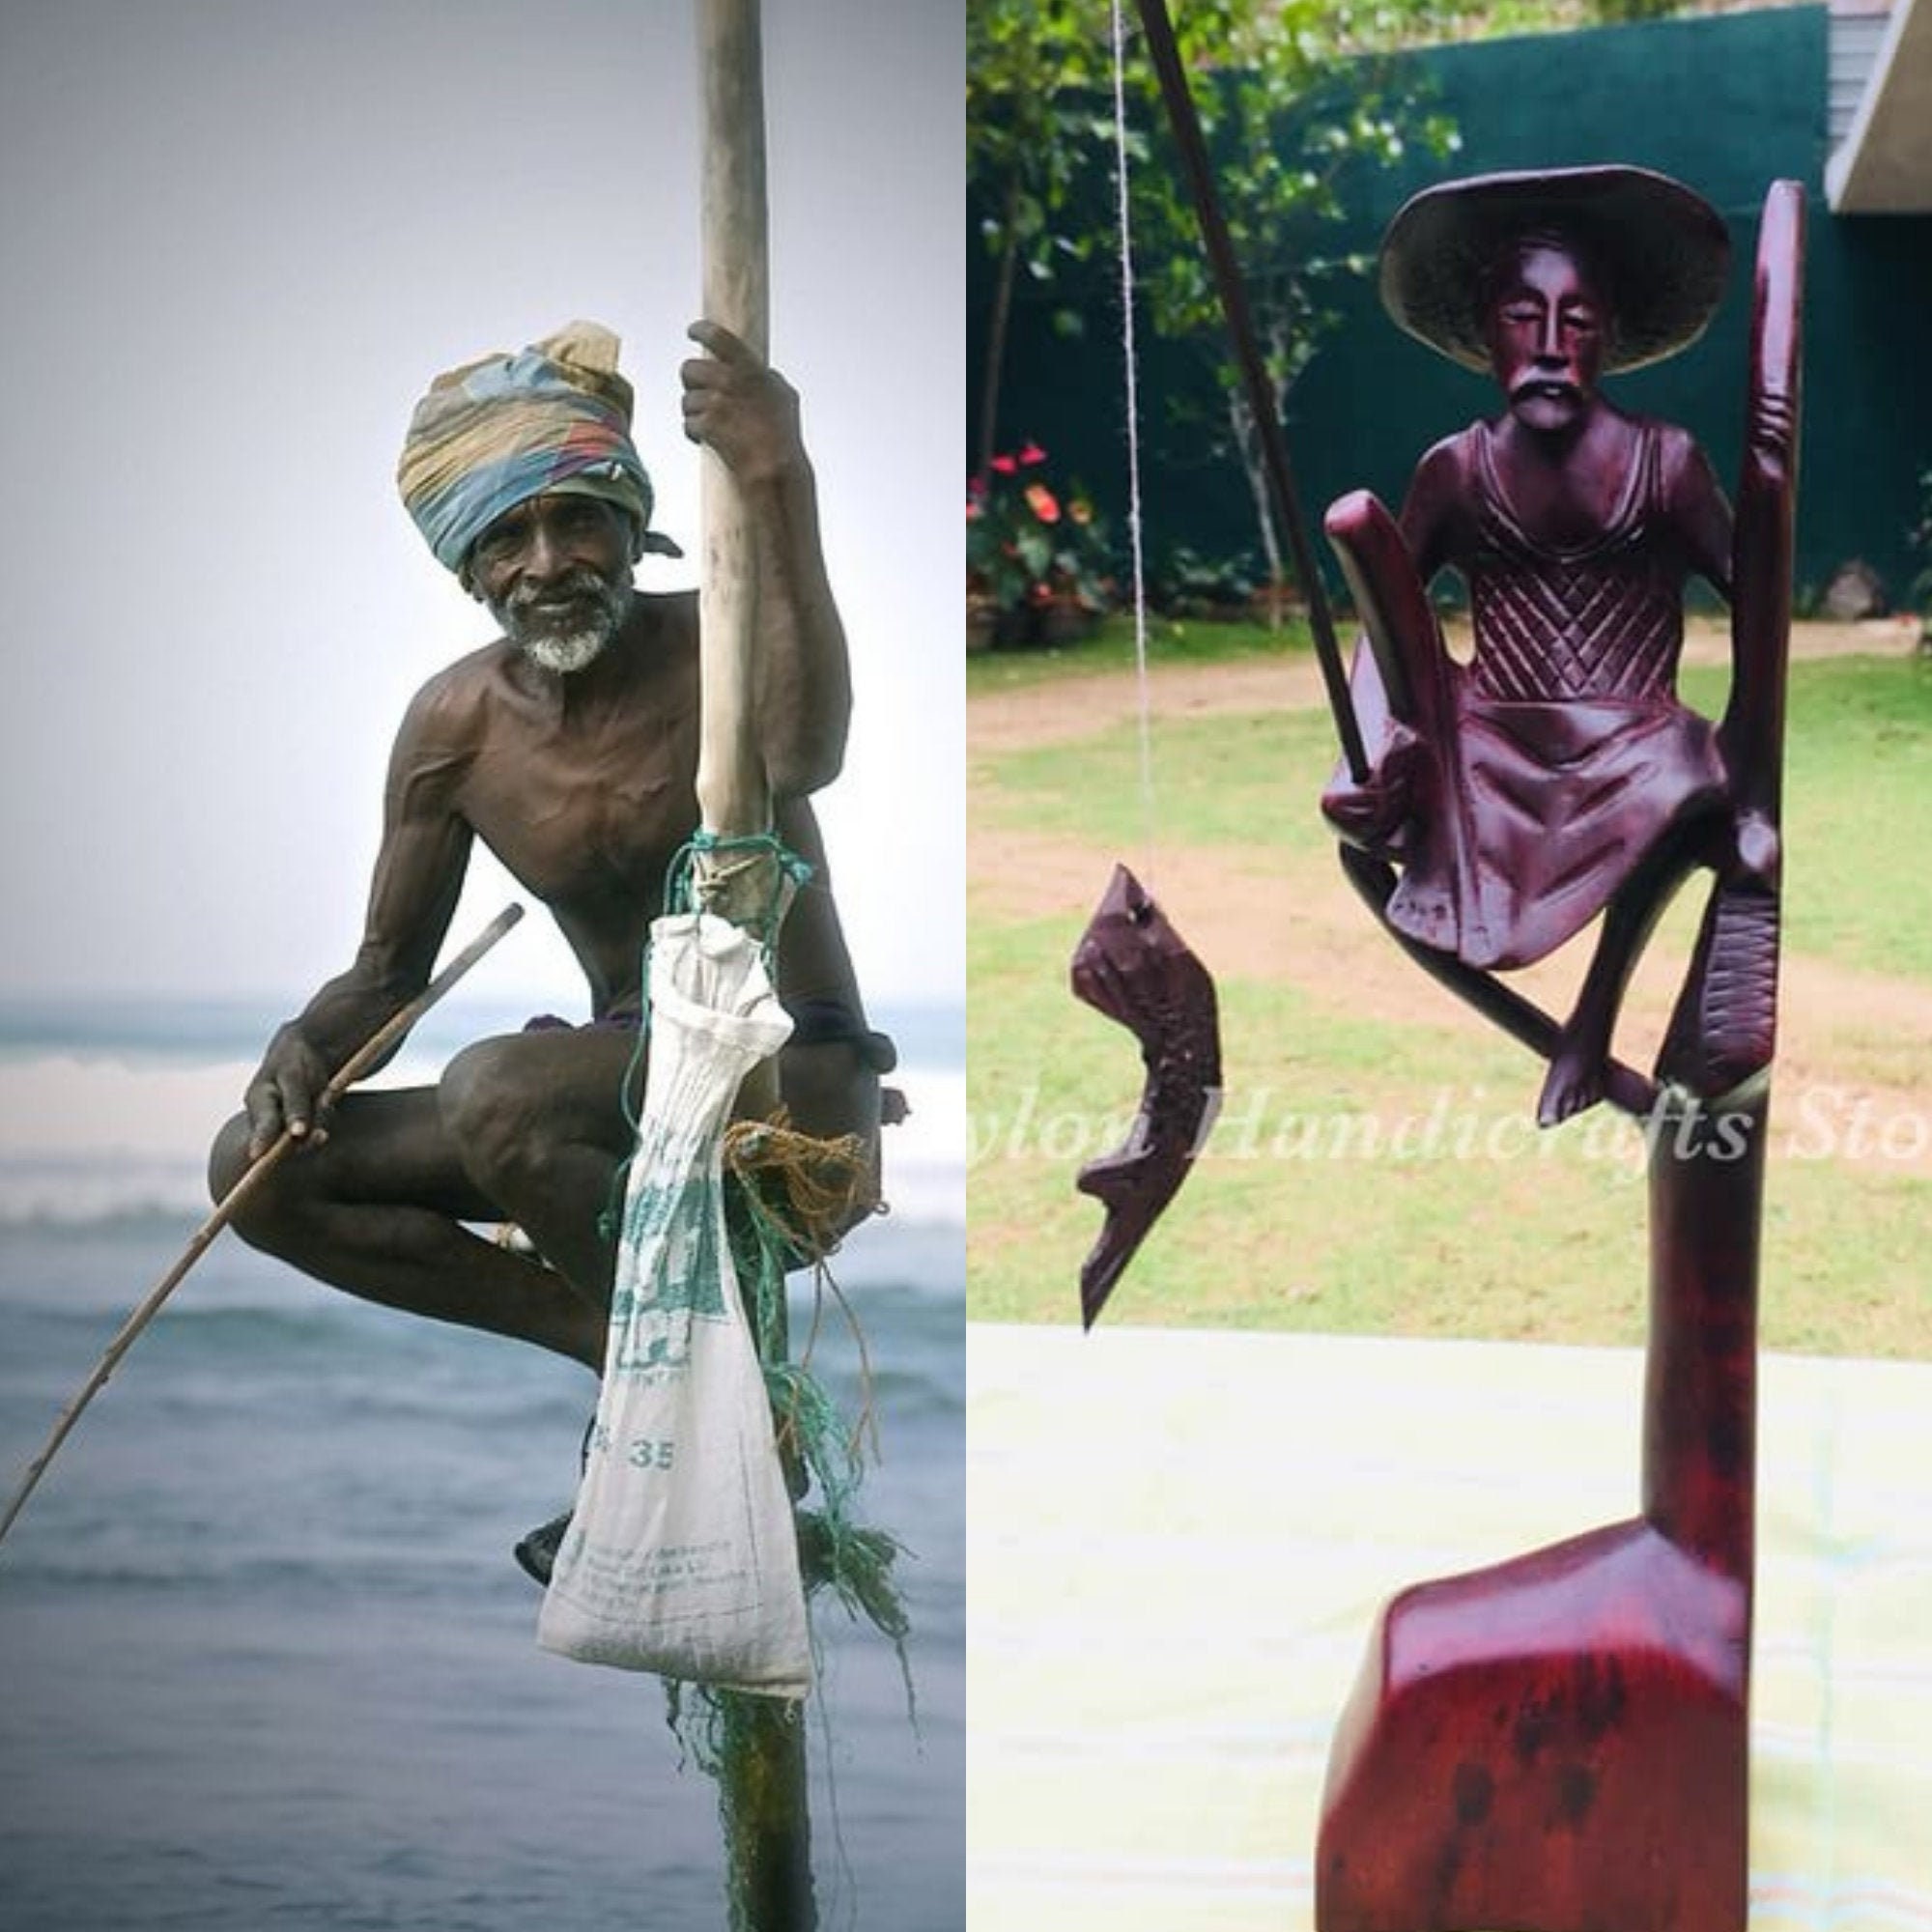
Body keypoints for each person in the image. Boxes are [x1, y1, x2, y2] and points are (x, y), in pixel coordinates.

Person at [207, 320, 894, 1564]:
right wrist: (301, 1046)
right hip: (624, 1102)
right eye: (505, 537)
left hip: (788, 1091)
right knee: (256, 1173)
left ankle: (704, 1402)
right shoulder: (455, 726)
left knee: (496, 1087)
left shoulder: (719, 638)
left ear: (633, 525)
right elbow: (386, 976)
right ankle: (629, 1356)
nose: (547, 562)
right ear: (467, 566)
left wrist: (776, 472)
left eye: (578, 520)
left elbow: (804, 754)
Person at [1321, 166, 1780, 1125]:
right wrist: (1363, 750)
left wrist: (1747, 746)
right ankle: (1545, 1024)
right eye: (1522, 318)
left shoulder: (1665, 463)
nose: (1549, 348)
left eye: (1577, 322)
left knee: (1685, 786)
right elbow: (1386, 617)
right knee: (1364, 849)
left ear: (1606, 335)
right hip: (1489, 743)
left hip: (1636, 739)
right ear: (1486, 332)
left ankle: (1590, 1019)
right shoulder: (1455, 471)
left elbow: (1757, 604)